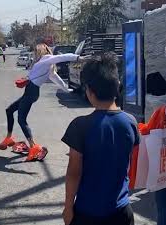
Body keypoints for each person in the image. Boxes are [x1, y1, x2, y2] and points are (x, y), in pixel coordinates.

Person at [61, 52, 140, 225]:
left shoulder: (80, 126)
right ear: (117, 85)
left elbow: (74, 173)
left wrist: (68, 208)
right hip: (122, 212)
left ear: (89, 90)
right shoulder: (131, 122)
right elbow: (131, 161)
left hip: (87, 213)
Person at [0, 43, 85, 161]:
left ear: (40, 51)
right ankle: (9, 138)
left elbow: (61, 57)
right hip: (31, 92)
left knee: (21, 119)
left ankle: (33, 146)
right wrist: (66, 89)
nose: (34, 53)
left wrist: (77, 58)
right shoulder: (46, 66)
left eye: (35, 51)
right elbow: (56, 78)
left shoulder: (46, 59)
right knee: (9, 110)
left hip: (31, 91)